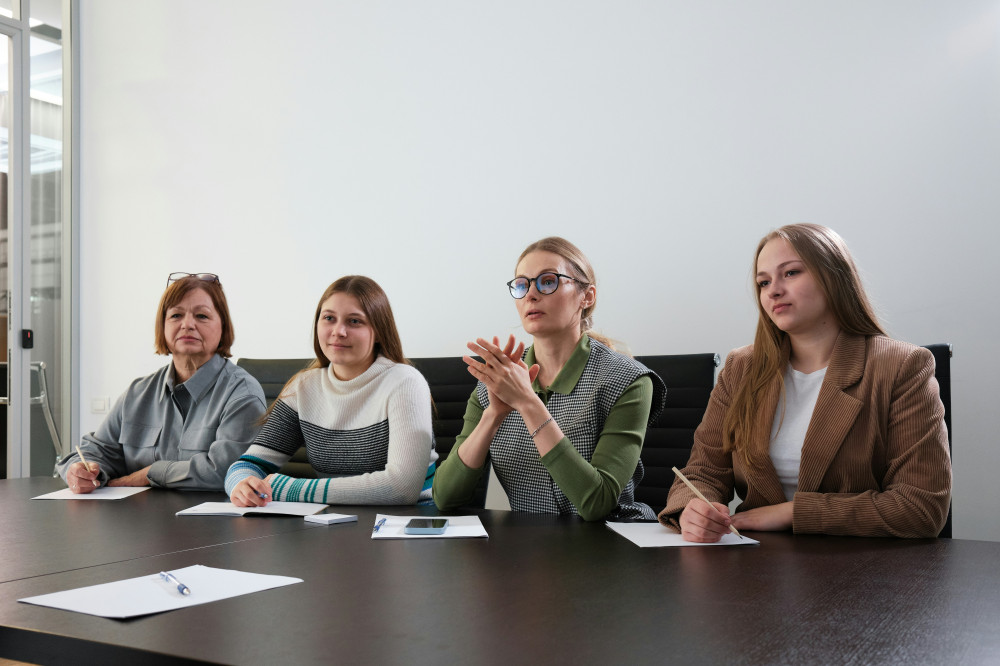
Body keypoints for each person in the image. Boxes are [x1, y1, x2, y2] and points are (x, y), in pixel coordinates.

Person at [661, 224, 952, 540]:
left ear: (834, 276)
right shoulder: (741, 367)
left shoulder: (903, 366)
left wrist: (792, 513)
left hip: (862, 562)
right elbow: (702, 472)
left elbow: (921, 508)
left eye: (790, 273)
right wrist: (693, 509)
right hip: (757, 560)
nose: (773, 291)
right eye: (763, 282)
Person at [433, 237, 666, 521]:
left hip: (613, 537)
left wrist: (528, 404)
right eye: (522, 285)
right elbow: (445, 498)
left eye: (547, 281)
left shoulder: (628, 380)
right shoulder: (499, 380)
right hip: (532, 542)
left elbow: (597, 504)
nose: (531, 294)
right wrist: (493, 414)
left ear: (587, 296)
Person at [225, 276, 436, 506]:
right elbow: (248, 464)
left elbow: (403, 487)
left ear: (379, 331)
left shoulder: (405, 382)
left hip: (410, 520)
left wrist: (291, 489)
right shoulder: (304, 386)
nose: (338, 331)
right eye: (329, 318)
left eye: (354, 321)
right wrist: (241, 485)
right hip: (334, 520)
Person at [56, 273, 267, 492]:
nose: (187, 324)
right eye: (176, 315)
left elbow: (229, 470)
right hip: (138, 512)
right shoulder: (137, 393)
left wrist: (152, 473)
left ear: (223, 326)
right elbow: (98, 451)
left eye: (202, 316)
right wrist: (80, 470)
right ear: (162, 326)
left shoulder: (242, 393)